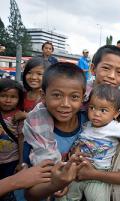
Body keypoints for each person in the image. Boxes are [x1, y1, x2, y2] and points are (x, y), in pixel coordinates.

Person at [23, 62, 88, 200]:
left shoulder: (90, 123)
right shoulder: (36, 131)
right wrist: (55, 185)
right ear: (43, 95)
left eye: (74, 97)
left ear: (83, 98)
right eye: (57, 95)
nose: (65, 104)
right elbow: (29, 194)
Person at [58, 84, 120, 201]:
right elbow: (78, 142)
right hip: (77, 171)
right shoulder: (86, 125)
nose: (96, 113)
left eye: (103, 110)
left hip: (98, 175)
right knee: (65, 197)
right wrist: (75, 151)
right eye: (92, 108)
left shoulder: (116, 127)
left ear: (116, 114)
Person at [0, 78, 25, 200]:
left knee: (8, 189)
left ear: (19, 99)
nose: (8, 100)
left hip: (11, 161)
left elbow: (21, 139)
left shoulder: (19, 116)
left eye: (13, 97)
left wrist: (20, 162)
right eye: (3, 96)